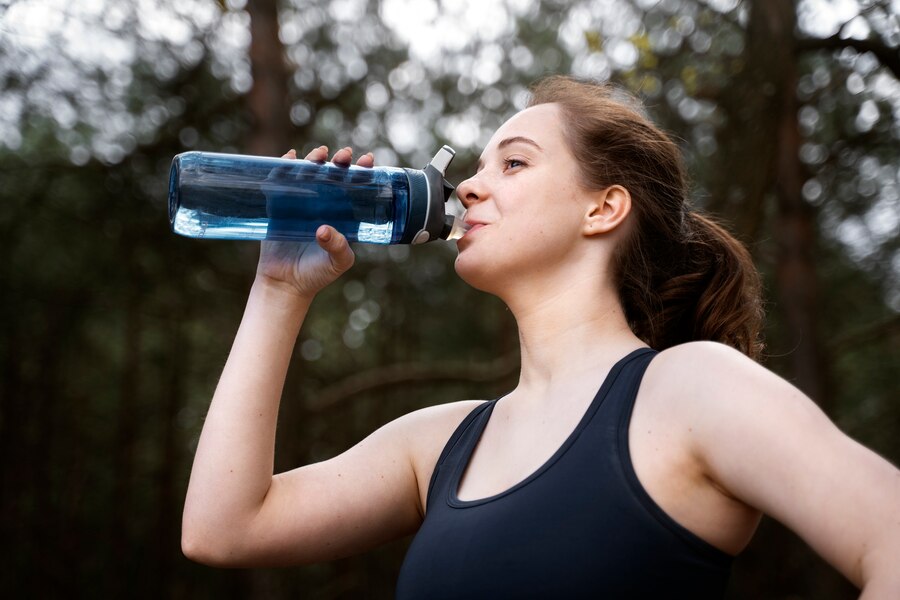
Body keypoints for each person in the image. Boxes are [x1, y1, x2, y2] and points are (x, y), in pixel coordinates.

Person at [181, 76, 900, 597]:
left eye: (514, 162)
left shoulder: (691, 391)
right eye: (477, 166)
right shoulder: (439, 446)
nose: (466, 186)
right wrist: (279, 289)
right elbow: (224, 528)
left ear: (603, 208)